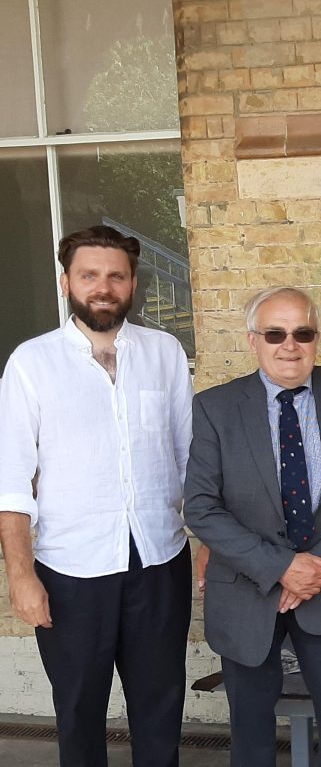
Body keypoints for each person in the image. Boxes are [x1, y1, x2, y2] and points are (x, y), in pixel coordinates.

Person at [0, 225, 194, 767]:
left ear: (132, 283)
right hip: (70, 570)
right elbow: (11, 481)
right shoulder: (31, 363)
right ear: (66, 282)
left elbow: (190, 459)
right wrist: (20, 576)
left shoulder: (165, 353)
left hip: (159, 560)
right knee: (79, 710)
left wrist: (210, 543)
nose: (103, 287)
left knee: (161, 707)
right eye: (89, 275)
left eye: (116, 276)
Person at [184, 286, 321, 767]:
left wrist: (317, 564)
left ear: (317, 338)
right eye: (275, 334)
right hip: (246, 591)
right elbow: (201, 507)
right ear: (252, 340)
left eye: (302, 333)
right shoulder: (216, 407)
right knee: (251, 735)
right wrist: (281, 568)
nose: (290, 345)